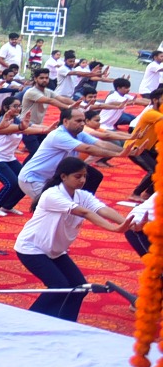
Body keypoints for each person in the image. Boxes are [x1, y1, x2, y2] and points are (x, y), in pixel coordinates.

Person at [14, 157, 126, 323]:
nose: (82, 180)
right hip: (31, 249)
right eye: (77, 176)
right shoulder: (52, 195)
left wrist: (126, 224)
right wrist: (114, 229)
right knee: (59, 287)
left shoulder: (82, 195)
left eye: (84, 176)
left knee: (79, 288)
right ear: (63, 176)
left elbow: (102, 209)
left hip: (55, 251)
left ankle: (66, 323)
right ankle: (29, 321)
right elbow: (85, 213)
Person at [16, 105, 125, 203]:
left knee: (94, 176)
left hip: (52, 177)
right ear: (65, 121)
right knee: (54, 209)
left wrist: (125, 152)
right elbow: (88, 148)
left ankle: (82, 203)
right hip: (34, 179)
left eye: (83, 121)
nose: (82, 124)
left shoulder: (79, 133)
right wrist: (119, 154)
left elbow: (101, 143)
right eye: (78, 121)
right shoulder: (59, 135)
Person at [122, 88, 163, 203]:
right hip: (135, 147)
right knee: (154, 170)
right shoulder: (151, 113)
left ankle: (148, 193)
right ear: (155, 100)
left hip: (147, 148)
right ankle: (135, 194)